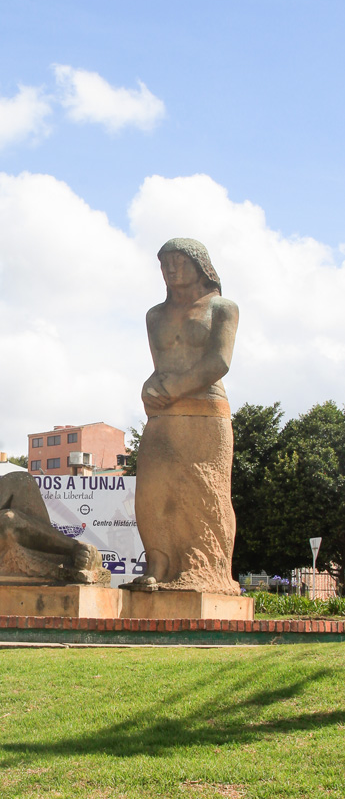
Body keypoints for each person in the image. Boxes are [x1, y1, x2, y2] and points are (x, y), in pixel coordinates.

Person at [130, 238, 240, 595]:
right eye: (165, 264)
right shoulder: (154, 315)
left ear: (200, 266)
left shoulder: (223, 307)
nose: (172, 269)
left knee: (204, 495)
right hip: (163, 417)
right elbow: (159, 364)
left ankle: (205, 569)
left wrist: (176, 386)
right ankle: (158, 564)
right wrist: (150, 386)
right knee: (153, 490)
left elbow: (219, 361)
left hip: (206, 414)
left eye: (180, 262)